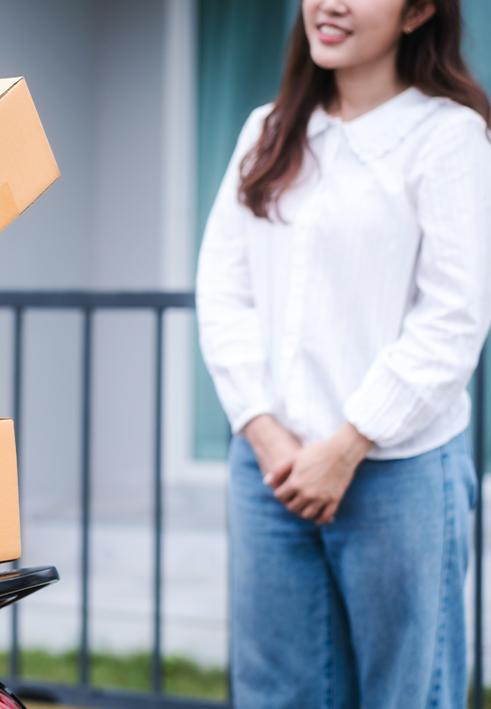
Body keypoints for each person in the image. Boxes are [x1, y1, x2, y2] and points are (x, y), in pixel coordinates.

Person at [196, 0, 491, 706]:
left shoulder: (448, 137)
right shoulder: (265, 132)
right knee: (277, 694)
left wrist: (348, 443)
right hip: (270, 469)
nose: (330, 4)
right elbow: (222, 290)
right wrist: (264, 431)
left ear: (418, 12)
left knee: (408, 693)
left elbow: (454, 317)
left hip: (398, 472)